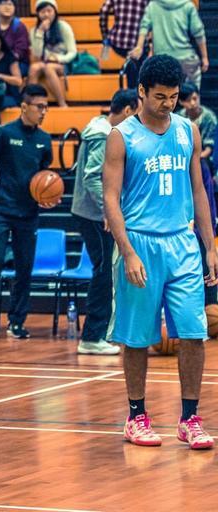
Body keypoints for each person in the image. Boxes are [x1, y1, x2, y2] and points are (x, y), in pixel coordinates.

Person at [104, 55, 216, 449]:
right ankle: (136, 416)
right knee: (137, 337)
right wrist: (127, 251)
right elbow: (110, 198)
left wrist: (209, 244)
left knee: (194, 333)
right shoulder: (121, 136)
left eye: (173, 96)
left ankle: (190, 419)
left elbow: (199, 191)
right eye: (160, 97)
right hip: (140, 243)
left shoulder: (188, 131)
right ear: (141, 91)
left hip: (182, 243)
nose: (168, 104)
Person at [0, 85, 56, 340]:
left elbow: (45, 176)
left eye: (46, 107)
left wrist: (48, 196)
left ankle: (17, 321)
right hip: (0, 209)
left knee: (25, 268)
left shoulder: (45, 140)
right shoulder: (4, 133)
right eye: (39, 107)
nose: (43, 112)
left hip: (29, 212)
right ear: (24, 107)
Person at [71, 89, 139, 355]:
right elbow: (91, 176)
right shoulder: (102, 135)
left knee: (105, 272)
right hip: (94, 215)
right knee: (103, 273)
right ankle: (92, 336)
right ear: (127, 110)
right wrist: (108, 211)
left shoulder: (101, 129)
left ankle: (100, 333)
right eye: (136, 113)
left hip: (93, 213)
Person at [177, 81, 218, 305]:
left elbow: (209, 150)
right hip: (185, 180)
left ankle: (210, 304)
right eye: (189, 99)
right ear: (182, 102)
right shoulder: (179, 119)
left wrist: (192, 158)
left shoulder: (208, 118)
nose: (194, 103)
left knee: (206, 247)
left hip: (206, 170)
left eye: (196, 98)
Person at [131, 0, 208, 89]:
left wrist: (139, 46)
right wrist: (204, 57)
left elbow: (144, 27)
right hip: (186, 59)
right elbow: (198, 32)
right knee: (192, 93)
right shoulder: (188, 6)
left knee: (164, 93)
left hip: (162, 60)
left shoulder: (153, 5)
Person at [28, 0, 77, 108]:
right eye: (42, 12)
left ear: (55, 11)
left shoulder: (63, 27)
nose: (46, 14)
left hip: (63, 63)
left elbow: (72, 52)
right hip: (44, 61)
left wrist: (58, 58)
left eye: (49, 11)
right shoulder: (34, 31)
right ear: (38, 14)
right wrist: (40, 32)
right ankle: (31, 104)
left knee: (49, 68)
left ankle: (62, 103)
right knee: (34, 68)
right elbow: (37, 54)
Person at [99, 0, 150, 88]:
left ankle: (131, 88)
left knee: (133, 66)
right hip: (138, 44)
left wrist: (105, 34)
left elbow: (104, 10)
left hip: (118, 43)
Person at [0, 0, 30, 75]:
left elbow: (20, 51)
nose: (7, 7)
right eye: (3, 4)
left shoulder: (19, 26)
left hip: (17, 63)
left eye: (10, 4)